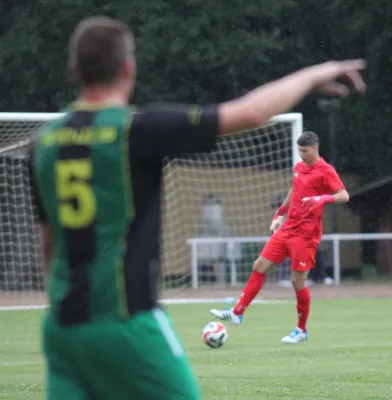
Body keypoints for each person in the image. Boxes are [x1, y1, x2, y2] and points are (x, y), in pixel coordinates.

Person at [27, 15, 365, 400]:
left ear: (72, 69)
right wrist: (311, 75)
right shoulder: (139, 129)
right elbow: (251, 113)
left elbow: (50, 247)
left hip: (62, 328)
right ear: (128, 68)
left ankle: (259, 315)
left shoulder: (44, 143)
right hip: (128, 321)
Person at [211, 131, 349, 344]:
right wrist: (279, 215)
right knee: (259, 265)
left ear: (315, 148)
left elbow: (343, 195)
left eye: (304, 151)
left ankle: (301, 330)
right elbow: (293, 191)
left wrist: (322, 198)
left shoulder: (326, 171)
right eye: (299, 151)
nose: (301, 155)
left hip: (306, 235)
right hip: (287, 229)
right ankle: (237, 312)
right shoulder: (299, 168)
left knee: (297, 281)